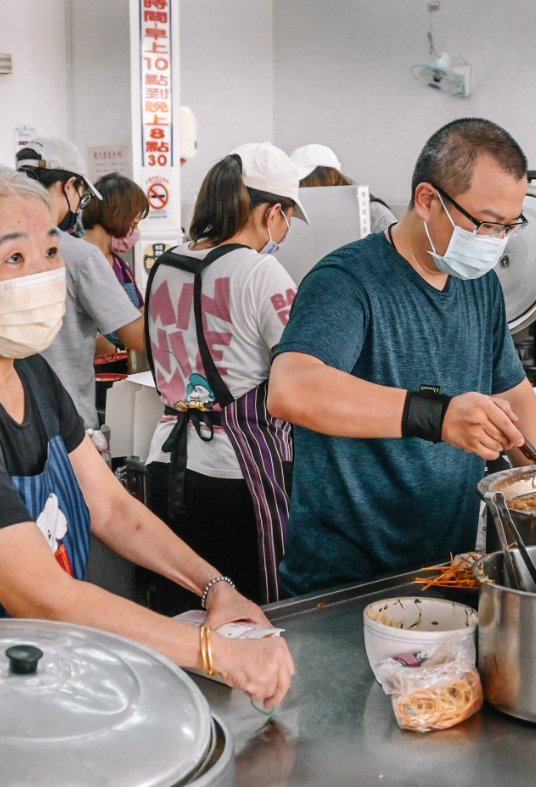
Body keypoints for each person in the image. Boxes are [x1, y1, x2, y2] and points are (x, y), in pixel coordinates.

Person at [0, 160, 294, 708]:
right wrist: (212, 651)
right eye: (14, 257)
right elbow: (41, 594)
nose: (42, 275)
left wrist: (215, 588)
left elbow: (112, 509)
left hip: (28, 676)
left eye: (48, 252)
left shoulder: (29, 372)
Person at [269, 118, 536, 597]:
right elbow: (292, 388)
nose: (495, 241)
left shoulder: (479, 285)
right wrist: (436, 416)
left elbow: (514, 392)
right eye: (484, 223)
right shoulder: (347, 281)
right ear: (427, 200)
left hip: (450, 564)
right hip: (347, 579)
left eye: (509, 227)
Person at [143, 142, 305, 611]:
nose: (286, 228)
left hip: (167, 460)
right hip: (239, 474)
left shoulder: (165, 264)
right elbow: (302, 374)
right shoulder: (262, 272)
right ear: (271, 212)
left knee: (184, 612)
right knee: (247, 616)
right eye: (288, 215)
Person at [16, 136, 146, 429]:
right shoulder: (78, 255)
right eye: (82, 196)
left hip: (8, 417)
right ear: (69, 185)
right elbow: (137, 337)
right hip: (66, 420)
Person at [81, 173, 149, 351]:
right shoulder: (80, 259)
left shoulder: (121, 266)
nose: (134, 229)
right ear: (119, 213)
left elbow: (139, 312)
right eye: (134, 221)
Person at [291, 143, 398, 233]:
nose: (301, 189)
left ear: (331, 176)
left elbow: (396, 253)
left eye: (305, 182)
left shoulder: (371, 211)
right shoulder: (291, 211)